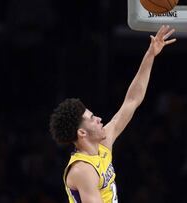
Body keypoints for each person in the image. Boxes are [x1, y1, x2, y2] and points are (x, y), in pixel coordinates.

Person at [49, 25, 176, 203]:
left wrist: (150, 55)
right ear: (82, 133)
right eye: (92, 118)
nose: (99, 119)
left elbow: (132, 101)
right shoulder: (82, 170)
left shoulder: (103, 145)